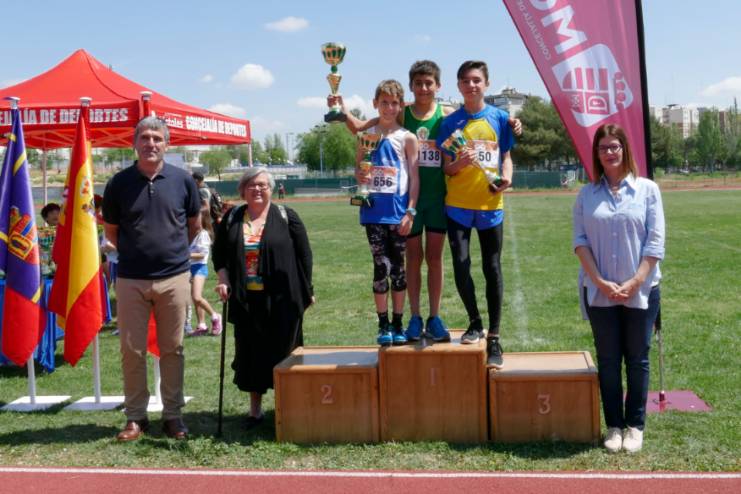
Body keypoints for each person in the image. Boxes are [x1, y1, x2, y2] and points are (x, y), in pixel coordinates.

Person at [333, 61, 522, 345]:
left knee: (434, 259)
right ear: (411, 86)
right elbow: (360, 128)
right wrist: (341, 108)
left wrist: (512, 121)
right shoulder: (402, 112)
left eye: (429, 84)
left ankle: (434, 317)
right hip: (408, 201)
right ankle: (414, 316)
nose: (423, 88)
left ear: (438, 86)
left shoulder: (446, 115)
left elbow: (476, 120)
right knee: (412, 258)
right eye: (418, 84)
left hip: (438, 198)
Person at [103, 116, 201, 441]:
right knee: (132, 350)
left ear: (167, 144)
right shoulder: (118, 183)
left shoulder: (183, 181)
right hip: (131, 279)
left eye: (157, 138)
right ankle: (136, 417)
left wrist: (170, 254)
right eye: (144, 137)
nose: (151, 143)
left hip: (175, 278)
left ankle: (173, 416)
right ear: (135, 143)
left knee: (173, 348)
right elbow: (112, 232)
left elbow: (194, 226)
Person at [573, 123, 664, 453]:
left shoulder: (648, 190)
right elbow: (580, 241)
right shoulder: (586, 195)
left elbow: (655, 242)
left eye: (614, 146)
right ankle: (613, 425)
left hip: (641, 289)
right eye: (603, 148)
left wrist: (636, 280)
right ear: (596, 154)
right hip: (600, 290)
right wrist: (599, 281)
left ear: (625, 149)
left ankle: (635, 426)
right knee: (609, 360)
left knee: (637, 358)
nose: (609, 152)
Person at [213, 167, 313, 429]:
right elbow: (219, 254)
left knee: (284, 351)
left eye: (262, 185)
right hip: (246, 299)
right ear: (243, 190)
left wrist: (307, 290)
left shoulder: (287, 216)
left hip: (283, 298)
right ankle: (255, 411)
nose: (257, 189)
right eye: (251, 185)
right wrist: (223, 279)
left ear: (271, 189)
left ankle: (286, 407)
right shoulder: (233, 217)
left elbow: (304, 255)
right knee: (250, 354)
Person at [436, 60, 514, 368]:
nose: (471, 85)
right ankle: (474, 321)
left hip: (490, 206)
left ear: (486, 84)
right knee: (461, 265)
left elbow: (506, 158)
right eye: (466, 81)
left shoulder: (500, 118)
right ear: (458, 86)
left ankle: (494, 336)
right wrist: (461, 163)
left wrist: (507, 178)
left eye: (476, 80)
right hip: (457, 205)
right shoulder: (449, 123)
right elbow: (447, 168)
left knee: (492, 268)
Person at [354, 80, 419, 346]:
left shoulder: (407, 137)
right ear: (375, 104)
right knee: (380, 267)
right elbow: (359, 170)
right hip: (373, 213)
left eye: (394, 103)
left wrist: (410, 211)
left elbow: (414, 177)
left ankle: (398, 322)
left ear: (400, 105)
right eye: (384, 102)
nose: (389, 108)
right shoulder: (366, 136)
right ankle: (383, 324)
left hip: (398, 214)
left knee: (398, 270)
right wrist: (360, 175)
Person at [188, 207, 221, 336]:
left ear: (203, 219)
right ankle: (201, 325)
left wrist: (184, 255)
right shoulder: (193, 233)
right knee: (195, 298)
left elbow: (201, 255)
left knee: (197, 297)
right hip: (190, 267)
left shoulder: (204, 234)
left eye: (196, 218)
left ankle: (215, 316)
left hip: (199, 267)